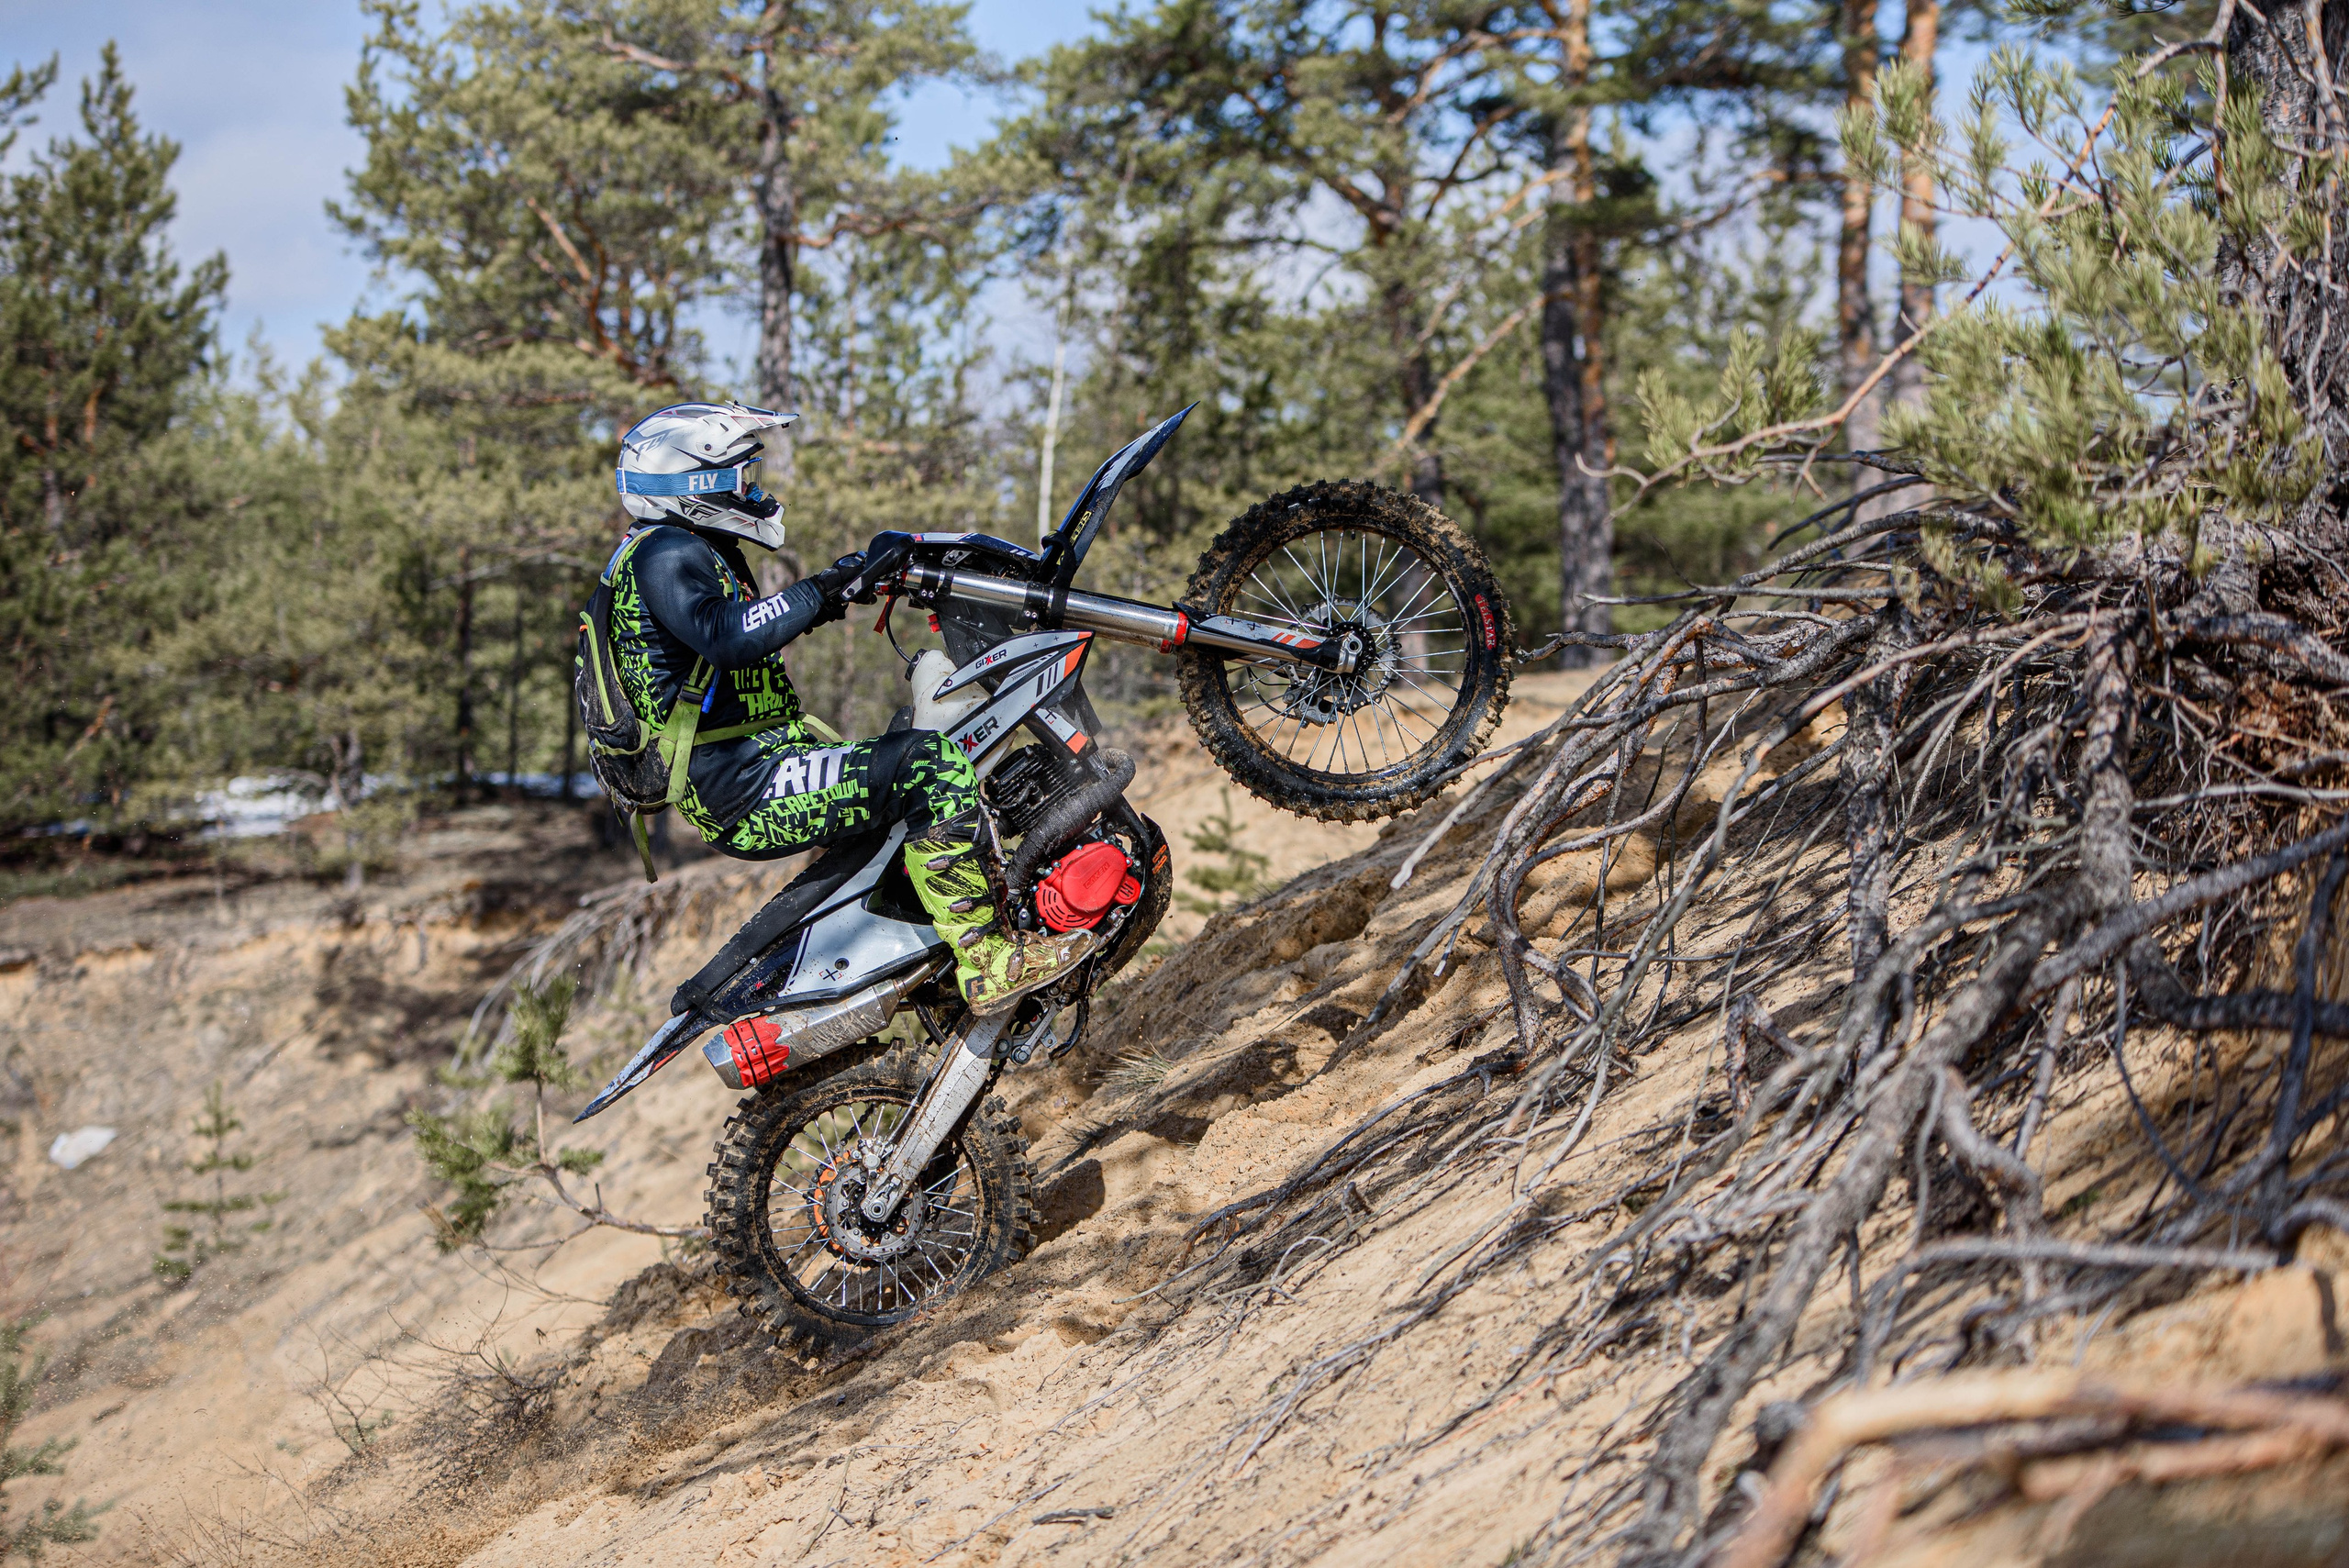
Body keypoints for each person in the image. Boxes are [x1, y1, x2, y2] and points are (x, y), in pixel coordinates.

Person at [603, 401, 1093, 1016]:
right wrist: (825, 588)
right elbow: (728, 634)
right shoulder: (664, 554)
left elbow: (748, 630)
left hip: (757, 764)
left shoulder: (686, 548)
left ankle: (947, 948)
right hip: (741, 785)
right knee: (930, 768)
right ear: (694, 485)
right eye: (741, 478)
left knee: (943, 739)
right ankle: (990, 962)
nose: (753, 490)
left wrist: (855, 579)